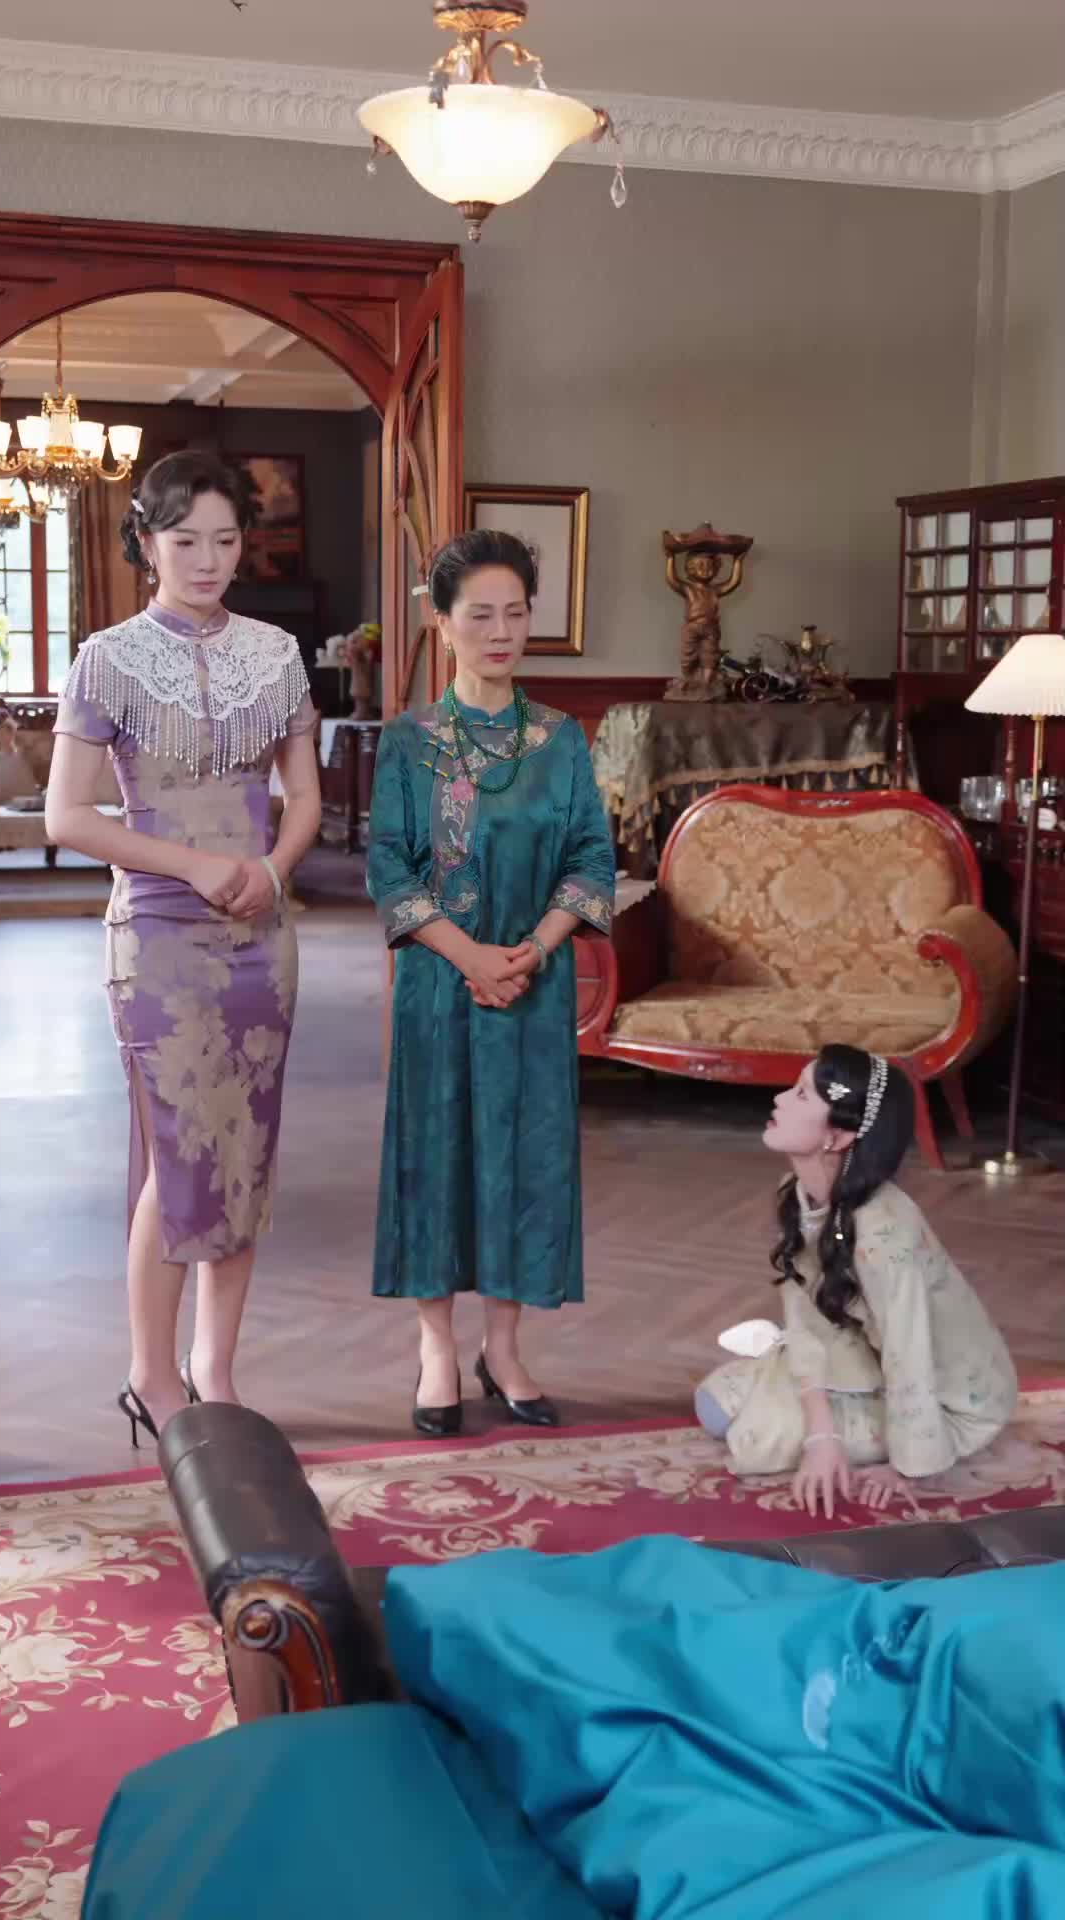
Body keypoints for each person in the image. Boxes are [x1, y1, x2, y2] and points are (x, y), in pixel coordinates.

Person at [45, 449, 322, 1444]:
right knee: (182, 1150)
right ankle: (150, 1375)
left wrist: (273, 871)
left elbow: (305, 799)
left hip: (260, 935)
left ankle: (216, 1368)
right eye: (185, 540)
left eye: (226, 540)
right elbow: (67, 816)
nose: (208, 560)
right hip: (159, 937)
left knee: (246, 1152)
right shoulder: (108, 659)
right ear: (146, 542)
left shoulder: (276, 655)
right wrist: (193, 866)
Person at [367, 529, 615, 1436]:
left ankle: (504, 1347)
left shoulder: (560, 740)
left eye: (516, 613)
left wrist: (534, 951)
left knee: (524, 1159)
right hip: (439, 986)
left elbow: (591, 858)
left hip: (532, 986)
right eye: (480, 615)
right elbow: (388, 867)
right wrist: (469, 956)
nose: (501, 631)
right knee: (435, 1156)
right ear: (442, 623)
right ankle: (436, 1346)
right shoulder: (409, 741)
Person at [694, 1045, 1018, 1515]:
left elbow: (910, 1353)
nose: (779, 1099)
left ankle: (897, 1436)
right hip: (865, 1349)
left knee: (751, 1433)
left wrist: (907, 1467)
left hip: (952, 1399)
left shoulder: (884, 1236)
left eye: (801, 1095)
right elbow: (806, 1317)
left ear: (839, 1135)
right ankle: (828, 1409)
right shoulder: (796, 1194)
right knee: (713, 1403)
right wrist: (822, 1436)